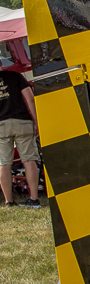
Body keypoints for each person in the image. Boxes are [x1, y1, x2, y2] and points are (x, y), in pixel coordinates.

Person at [0, 66, 41, 208]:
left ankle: (8, 201)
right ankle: (34, 199)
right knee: (29, 160)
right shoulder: (15, 76)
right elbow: (30, 98)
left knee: (4, 163)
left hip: (1, 125)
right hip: (22, 122)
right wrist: (36, 121)